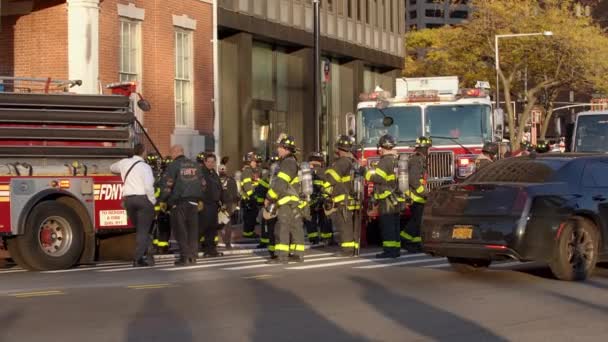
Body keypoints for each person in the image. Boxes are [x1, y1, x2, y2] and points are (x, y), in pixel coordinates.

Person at [110, 143, 156, 267]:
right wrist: (152, 201)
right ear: (143, 152)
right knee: (143, 230)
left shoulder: (124, 163)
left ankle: (149, 253)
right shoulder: (145, 167)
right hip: (143, 199)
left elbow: (112, 168)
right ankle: (138, 258)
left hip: (129, 200)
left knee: (140, 229)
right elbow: (148, 187)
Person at [159, 145, 204, 266]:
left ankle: (185, 257)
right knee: (192, 231)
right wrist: (200, 199)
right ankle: (193, 256)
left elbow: (168, 185)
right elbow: (203, 184)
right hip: (194, 202)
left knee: (181, 231)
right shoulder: (196, 165)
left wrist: (163, 200)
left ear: (175, 152)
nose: (171, 155)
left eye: (171, 153)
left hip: (179, 203)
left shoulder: (173, 166)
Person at [265, 135, 307, 264]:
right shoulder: (292, 161)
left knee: (281, 227)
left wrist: (269, 197)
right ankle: (298, 254)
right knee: (295, 228)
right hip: (293, 201)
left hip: (285, 201)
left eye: (279, 147)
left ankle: (282, 256)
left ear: (285, 148)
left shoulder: (287, 162)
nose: (278, 149)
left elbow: (281, 183)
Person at [366, 134, 403, 258]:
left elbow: (378, 178)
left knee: (387, 226)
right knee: (395, 225)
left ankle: (389, 251)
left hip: (386, 199)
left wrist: (365, 174)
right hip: (397, 197)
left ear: (381, 147)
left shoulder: (384, 161)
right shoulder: (396, 160)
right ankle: (396, 250)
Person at [324, 135, 358, 257]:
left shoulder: (342, 162)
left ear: (338, 149)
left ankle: (347, 250)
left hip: (343, 199)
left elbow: (331, 178)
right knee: (351, 224)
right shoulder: (353, 162)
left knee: (344, 224)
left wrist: (324, 190)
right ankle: (353, 249)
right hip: (352, 198)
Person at [402, 136, 431, 253]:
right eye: (428, 148)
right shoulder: (417, 160)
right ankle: (404, 240)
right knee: (416, 221)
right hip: (416, 197)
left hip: (419, 197)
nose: (429, 151)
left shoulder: (420, 159)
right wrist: (424, 192)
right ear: (424, 149)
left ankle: (417, 243)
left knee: (419, 221)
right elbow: (413, 179)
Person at [198, 152, 224, 258]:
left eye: (213, 162)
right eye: (208, 161)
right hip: (204, 204)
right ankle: (192, 249)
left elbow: (219, 188)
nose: (211, 163)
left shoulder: (214, 173)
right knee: (202, 227)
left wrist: (222, 201)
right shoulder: (201, 173)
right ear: (204, 162)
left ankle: (210, 249)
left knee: (212, 228)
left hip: (214, 204)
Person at [305, 152, 332, 245]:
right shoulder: (325, 171)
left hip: (310, 199)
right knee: (324, 218)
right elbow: (328, 186)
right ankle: (326, 237)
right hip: (323, 199)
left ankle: (313, 238)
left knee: (310, 219)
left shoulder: (306, 172)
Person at [146, 153, 171, 254]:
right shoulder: (163, 176)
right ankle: (162, 248)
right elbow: (162, 191)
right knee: (164, 227)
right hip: (161, 206)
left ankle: (155, 246)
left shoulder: (149, 173)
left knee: (153, 227)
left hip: (151, 205)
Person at [240, 151, 262, 239]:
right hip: (249, 199)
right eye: (254, 161)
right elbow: (247, 185)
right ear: (249, 161)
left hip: (252, 198)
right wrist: (252, 196)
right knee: (249, 217)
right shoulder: (247, 171)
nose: (255, 163)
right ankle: (247, 233)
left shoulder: (252, 171)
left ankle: (250, 232)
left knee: (252, 216)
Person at [219, 162, 239, 249]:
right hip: (226, 204)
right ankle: (227, 243)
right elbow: (235, 194)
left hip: (221, 204)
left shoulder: (214, 179)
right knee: (226, 223)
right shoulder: (231, 180)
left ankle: (220, 241)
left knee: (221, 223)